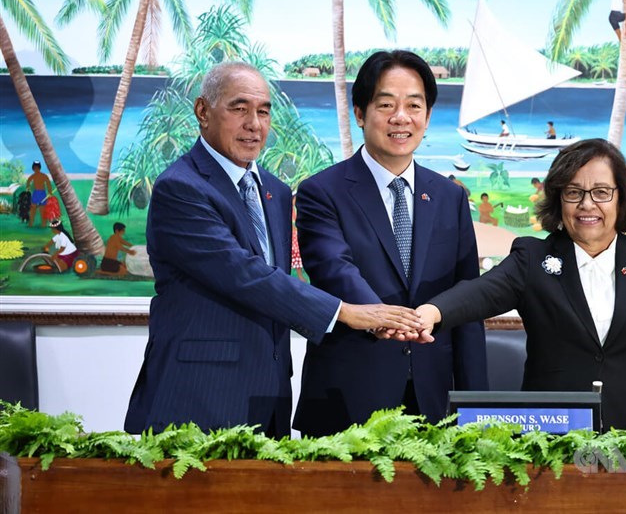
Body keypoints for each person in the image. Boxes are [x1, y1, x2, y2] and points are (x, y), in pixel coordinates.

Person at [124, 62, 423, 437]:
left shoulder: (276, 191)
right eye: (239, 108)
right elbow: (244, 275)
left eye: (263, 110)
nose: (254, 123)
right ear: (202, 111)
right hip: (197, 397)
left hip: (270, 398)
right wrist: (346, 312)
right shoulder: (181, 188)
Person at [416, 138, 626, 432]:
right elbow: (482, 292)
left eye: (601, 192)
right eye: (573, 192)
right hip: (552, 433)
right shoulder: (533, 259)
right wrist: (433, 312)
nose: (587, 204)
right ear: (559, 200)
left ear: (621, 198)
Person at [293, 50, 488, 437]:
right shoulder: (321, 192)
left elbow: (467, 298)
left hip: (434, 399)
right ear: (361, 113)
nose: (401, 118)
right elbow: (334, 269)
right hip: (348, 396)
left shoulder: (449, 196)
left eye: (414, 105)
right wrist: (386, 319)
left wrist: (475, 406)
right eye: (386, 104)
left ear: (428, 117)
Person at [26, 160, 53, 228]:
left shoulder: (43, 175)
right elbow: (28, 181)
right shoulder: (33, 176)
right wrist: (28, 188)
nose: (36, 169)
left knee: (42, 210)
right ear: (33, 168)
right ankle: (30, 224)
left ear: (39, 168)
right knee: (33, 209)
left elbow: (48, 183)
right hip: (35, 194)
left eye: (37, 168)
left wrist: (50, 192)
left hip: (42, 194)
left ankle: (43, 225)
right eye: (35, 168)